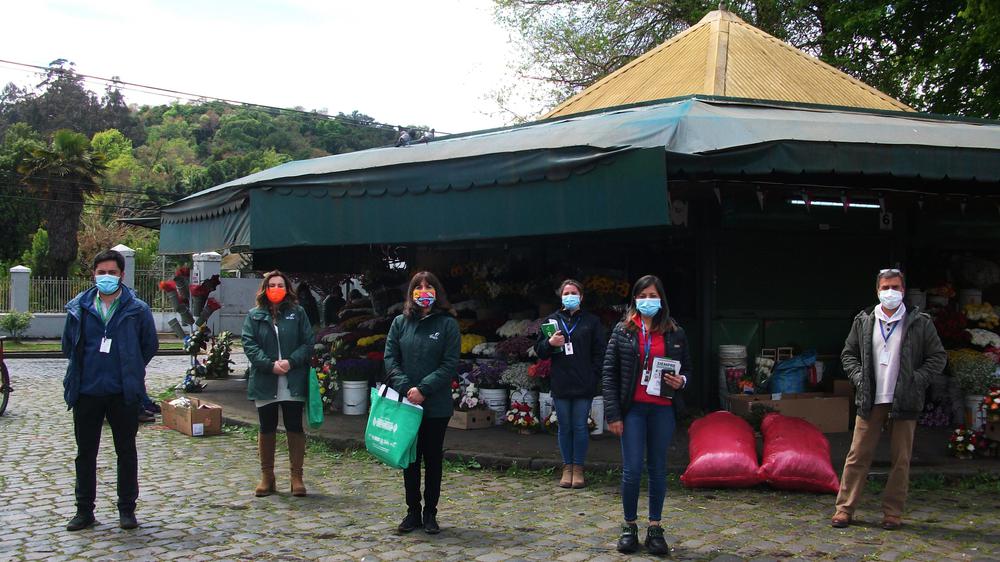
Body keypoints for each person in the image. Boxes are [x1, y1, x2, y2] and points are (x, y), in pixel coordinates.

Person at [832, 269, 946, 530]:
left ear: (903, 290)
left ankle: (892, 513)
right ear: (877, 291)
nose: (890, 292)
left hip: (904, 400)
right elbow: (848, 354)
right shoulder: (864, 320)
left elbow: (938, 357)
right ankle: (844, 509)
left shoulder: (919, 322)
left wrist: (916, 379)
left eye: (895, 287)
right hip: (871, 399)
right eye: (885, 287)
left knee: (901, 460)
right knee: (857, 455)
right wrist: (859, 379)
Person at [61, 249, 158, 531]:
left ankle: (127, 509)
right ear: (93, 274)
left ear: (121, 275)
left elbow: (149, 345)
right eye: (101, 272)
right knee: (85, 453)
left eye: (112, 273)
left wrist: (130, 367)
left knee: (126, 452)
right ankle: (84, 510)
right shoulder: (79, 307)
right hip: (86, 390)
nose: (106, 277)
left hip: (122, 392)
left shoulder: (137, 309)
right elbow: (68, 345)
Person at [602, 275, 691, 555]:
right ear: (635, 300)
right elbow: (609, 374)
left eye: (653, 296)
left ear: (661, 299)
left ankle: (655, 527)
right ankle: (629, 526)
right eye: (643, 296)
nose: (648, 301)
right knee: (632, 470)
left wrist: (682, 381)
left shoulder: (675, 332)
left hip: (662, 409)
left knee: (657, 469)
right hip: (633, 411)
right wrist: (613, 414)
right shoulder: (623, 331)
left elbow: (688, 369)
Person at [384, 271, 460, 535]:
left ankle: (430, 513)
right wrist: (407, 388)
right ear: (411, 292)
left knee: (433, 458)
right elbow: (391, 359)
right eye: (419, 287)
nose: (424, 291)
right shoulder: (400, 323)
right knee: (410, 459)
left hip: (435, 405)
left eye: (429, 287)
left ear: (437, 292)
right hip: (407, 404)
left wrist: (424, 389)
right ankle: (413, 511)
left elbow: (450, 363)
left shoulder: (448, 324)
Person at [242, 271, 315, 498]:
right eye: (271, 285)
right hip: (266, 379)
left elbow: (308, 342)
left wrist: (291, 362)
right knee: (267, 426)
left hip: (292, 378)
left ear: (287, 288)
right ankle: (267, 476)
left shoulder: (297, 313)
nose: (276, 289)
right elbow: (249, 344)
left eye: (280, 285)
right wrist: (269, 365)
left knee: (294, 425)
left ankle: (296, 477)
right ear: (265, 289)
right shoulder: (254, 315)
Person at [534, 279, 606, 489]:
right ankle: (567, 467)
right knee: (564, 426)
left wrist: (594, 375)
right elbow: (539, 350)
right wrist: (549, 343)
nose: (570, 296)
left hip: (584, 382)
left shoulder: (591, 321)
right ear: (561, 296)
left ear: (581, 296)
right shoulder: (552, 321)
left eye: (574, 293)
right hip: (561, 382)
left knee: (580, 426)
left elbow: (600, 352)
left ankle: (578, 468)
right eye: (566, 293)